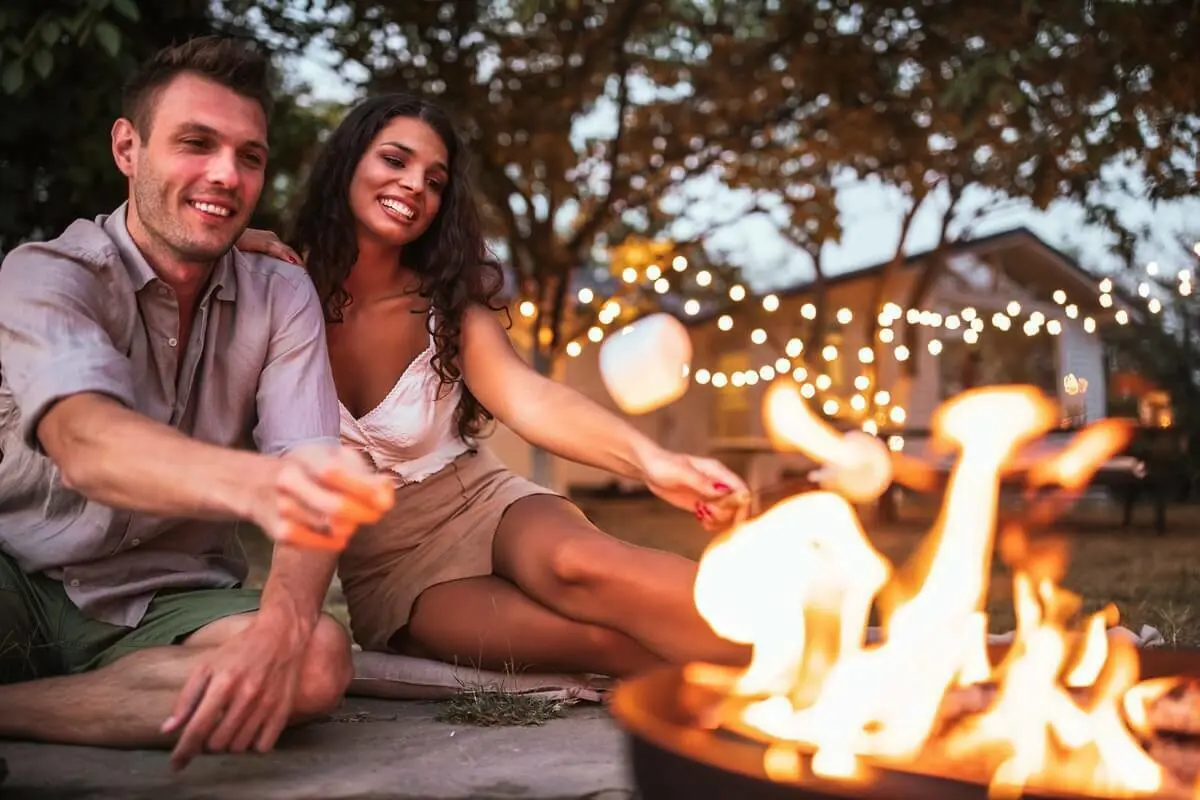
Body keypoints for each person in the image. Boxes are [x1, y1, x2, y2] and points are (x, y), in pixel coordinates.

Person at [239, 92, 753, 680]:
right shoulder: (273, 285)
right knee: (599, 644)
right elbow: (171, 243)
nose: (414, 186)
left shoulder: (445, 301)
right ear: (348, 162)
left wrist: (650, 461)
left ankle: (822, 645)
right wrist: (233, 241)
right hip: (390, 565)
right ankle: (761, 681)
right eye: (394, 161)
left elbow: (528, 397)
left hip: (480, 500)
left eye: (434, 181)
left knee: (581, 564)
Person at [0, 36, 395, 772]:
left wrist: (281, 625)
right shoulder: (44, 275)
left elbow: (309, 457)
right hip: (20, 570)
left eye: (250, 155)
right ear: (128, 147)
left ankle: (18, 708)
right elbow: (85, 441)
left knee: (312, 662)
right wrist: (268, 487)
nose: (227, 174)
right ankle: (116, 694)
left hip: (169, 599)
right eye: (196, 143)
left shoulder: (280, 291)